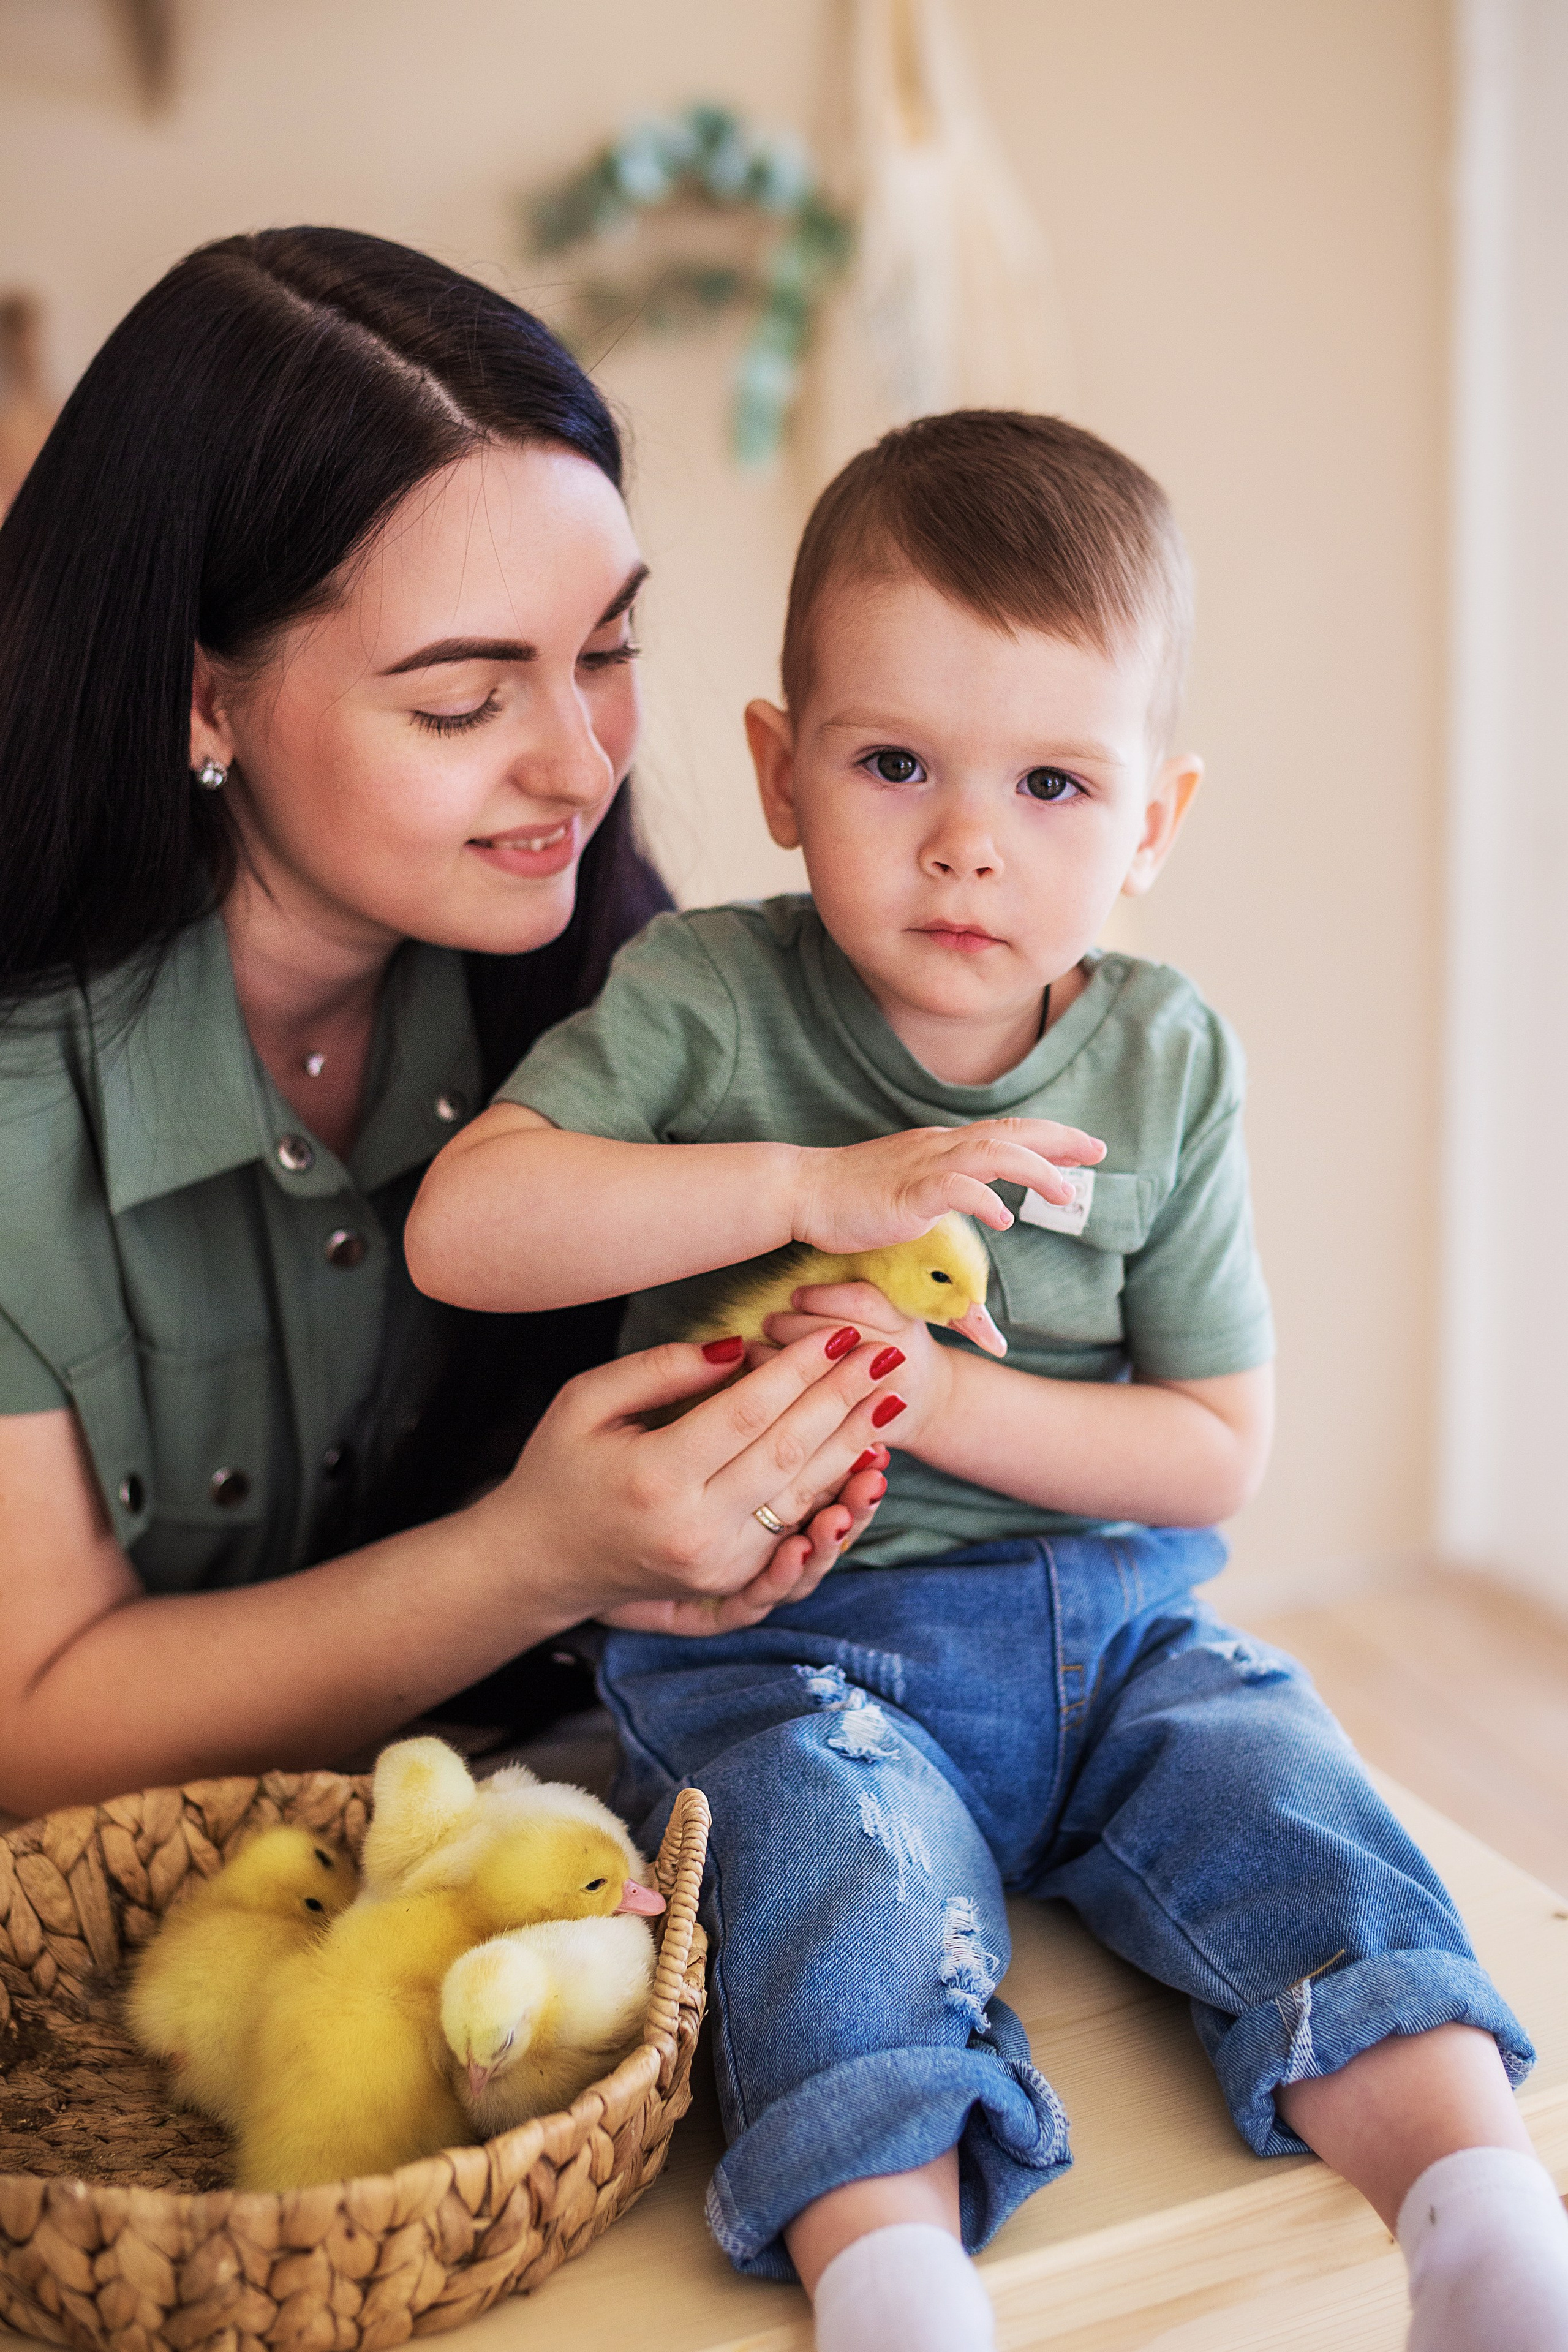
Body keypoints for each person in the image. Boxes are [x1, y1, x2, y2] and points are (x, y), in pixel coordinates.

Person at [409, 412, 1568, 2352]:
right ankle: (899, 2282)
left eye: (1051, 781)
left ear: (1154, 824)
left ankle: (1474, 2221)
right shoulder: (706, 999)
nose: (966, 840)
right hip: (790, 1648)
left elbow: (1213, 1452)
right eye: (893, 765)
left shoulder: (1167, 1060)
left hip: (1115, 1634)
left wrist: (937, 1402)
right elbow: (468, 1228)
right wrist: (809, 1185)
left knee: (1290, 1797)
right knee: (826, 1890)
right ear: (782, 773)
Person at [0, 226, 897, 1823]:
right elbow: (29, 1727)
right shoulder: (24, 1131)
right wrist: (538, 1558)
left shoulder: (617, 996)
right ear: (205, 701)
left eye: (607, 650)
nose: (580, 761)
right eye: (461, 700)